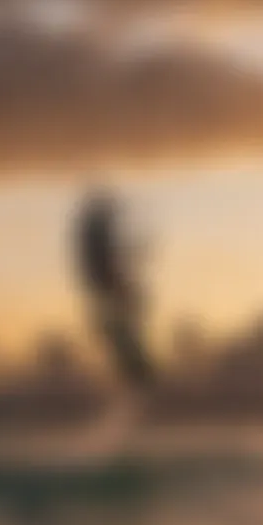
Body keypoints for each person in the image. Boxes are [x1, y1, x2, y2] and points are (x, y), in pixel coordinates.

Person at [75, 185, 155, 432]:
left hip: (109, 295)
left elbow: (116, 263)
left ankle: (135, 378)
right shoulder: (99, 259)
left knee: (127, 317)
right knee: (124, 323)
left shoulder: (101, 256)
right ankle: (135, 377)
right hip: (108, 295)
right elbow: (108, 269)